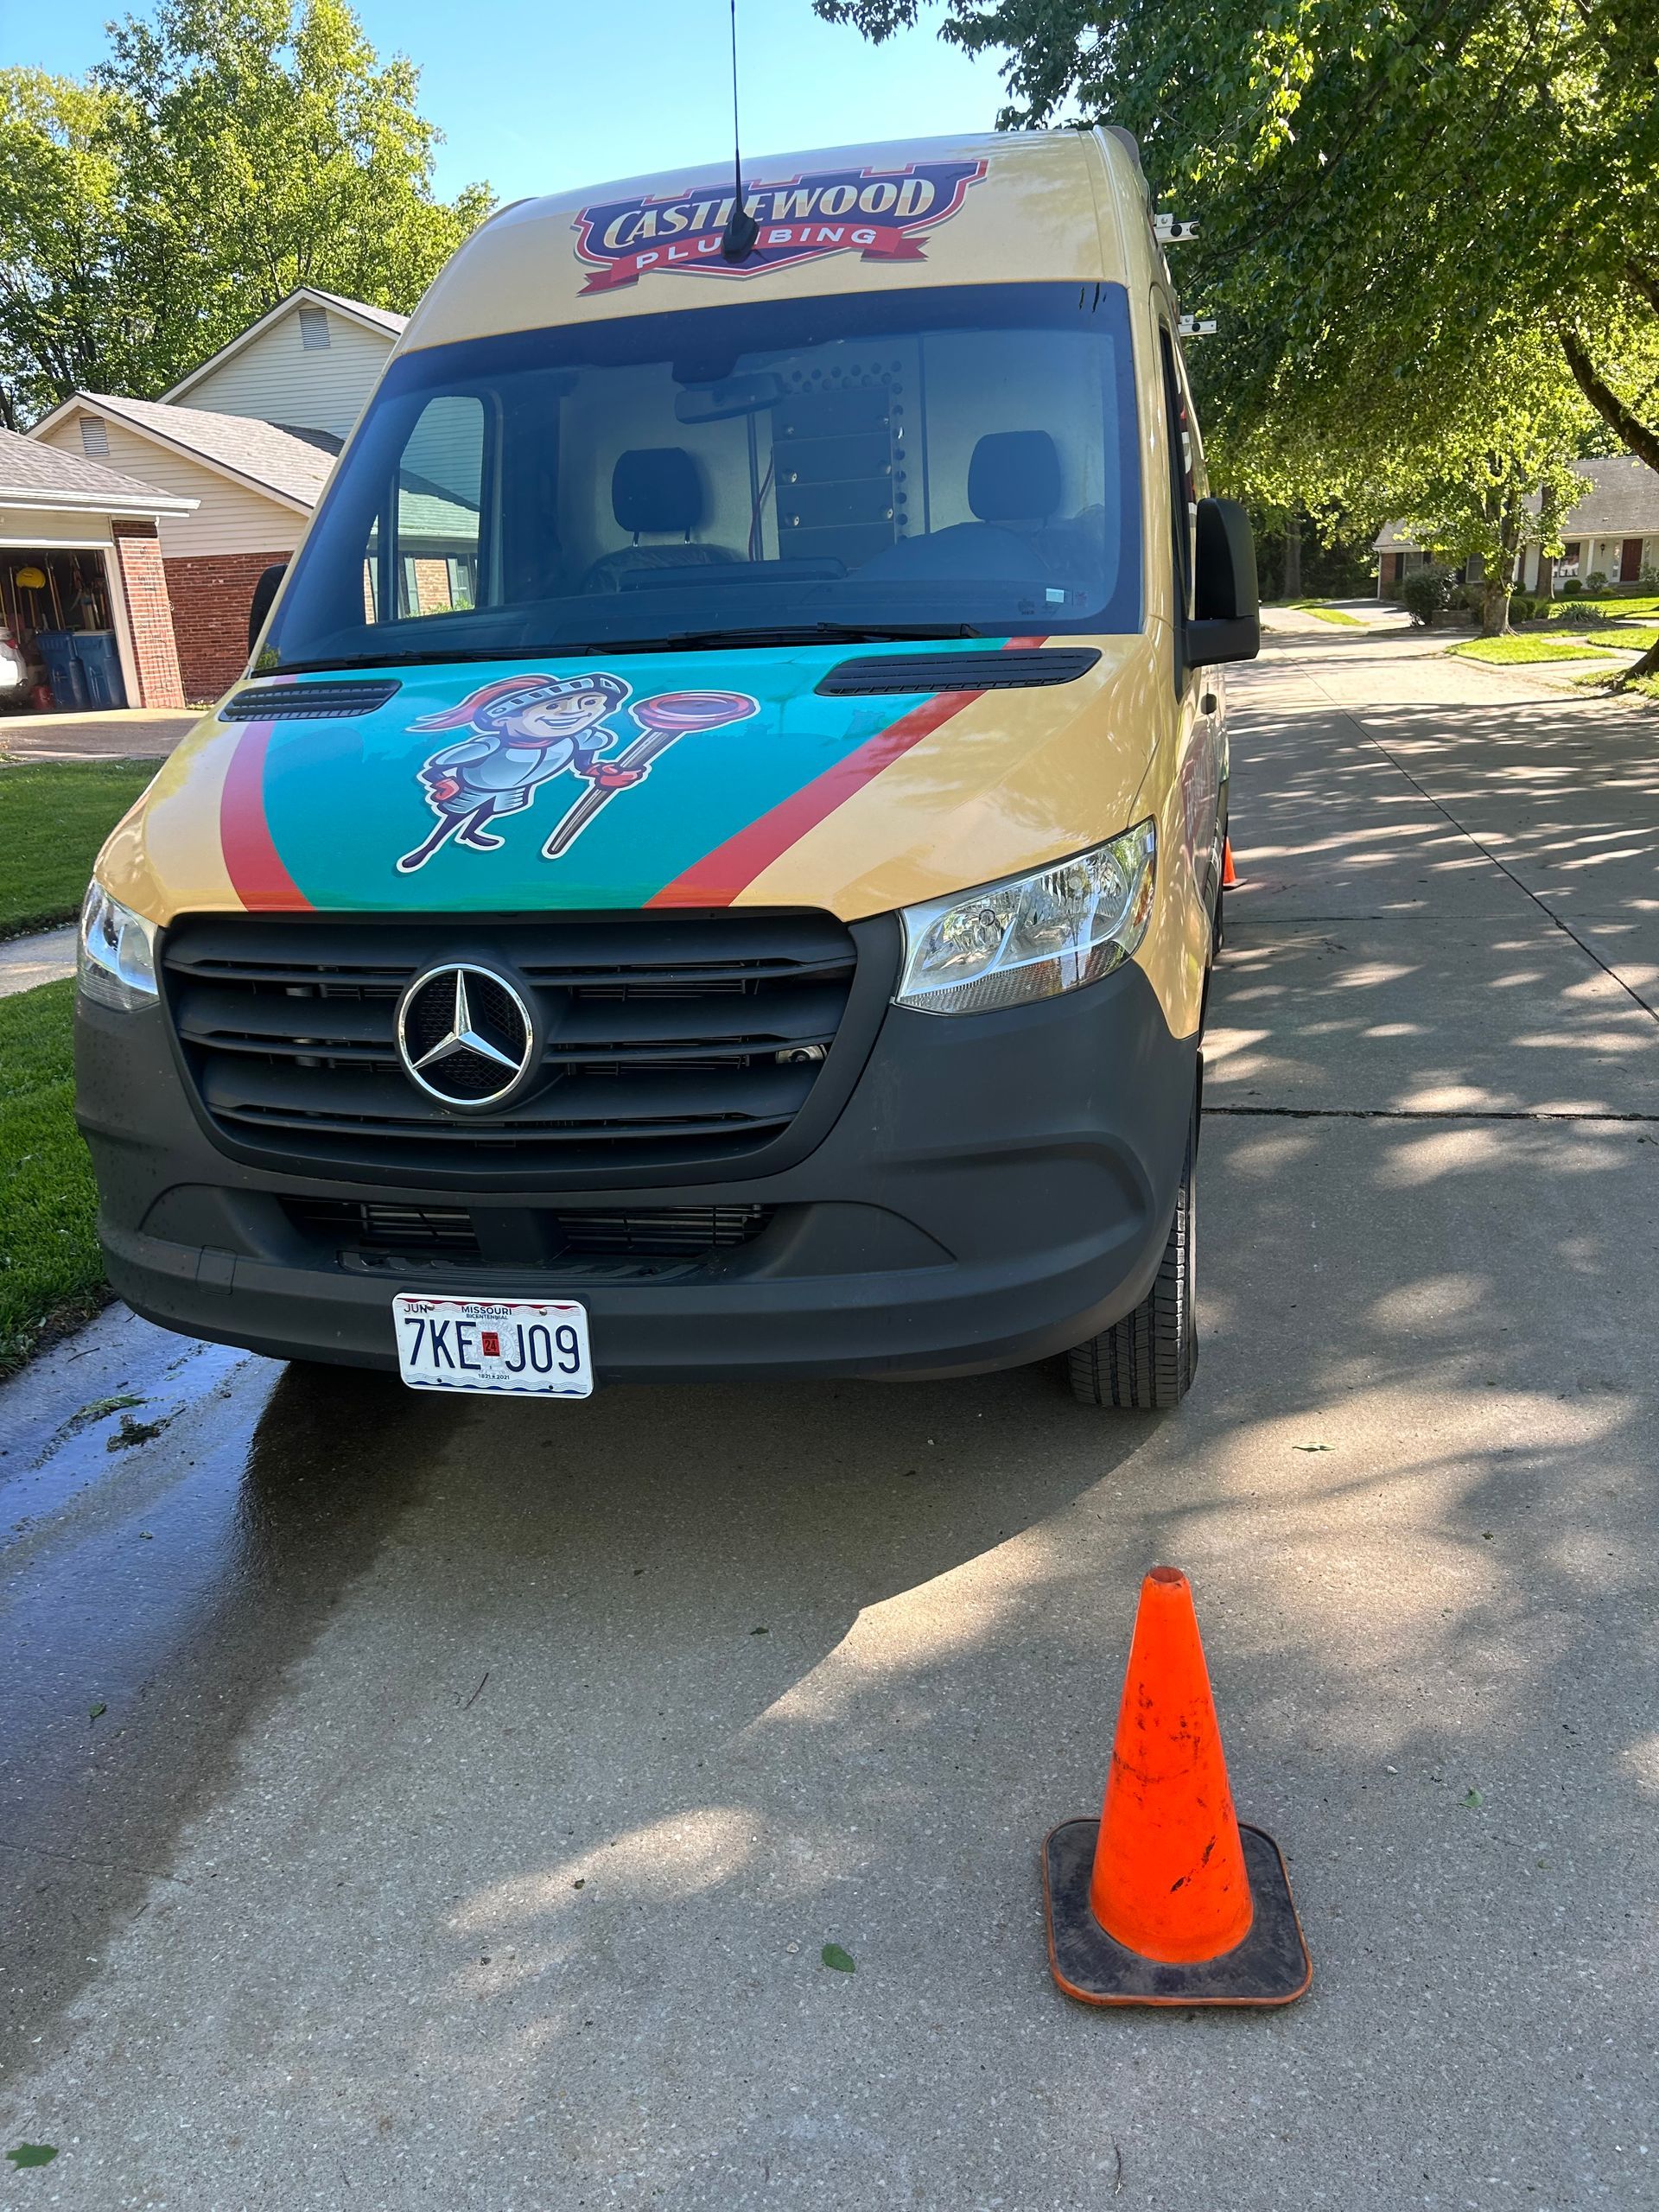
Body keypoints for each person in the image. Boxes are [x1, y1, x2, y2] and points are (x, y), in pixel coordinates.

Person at [396, 671, 642, 874]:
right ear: (503, 720)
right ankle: (427, 848)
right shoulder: (488, 745)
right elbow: (438, 767)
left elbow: (583, 763)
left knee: (493, 810)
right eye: (554, 706)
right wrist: (445, 783)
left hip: (516, 787)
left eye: (589, 703)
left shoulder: (579, 739)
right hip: (475, 785)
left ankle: (471, 832)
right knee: (454, 815)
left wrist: (600, 771)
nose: (573, 712)